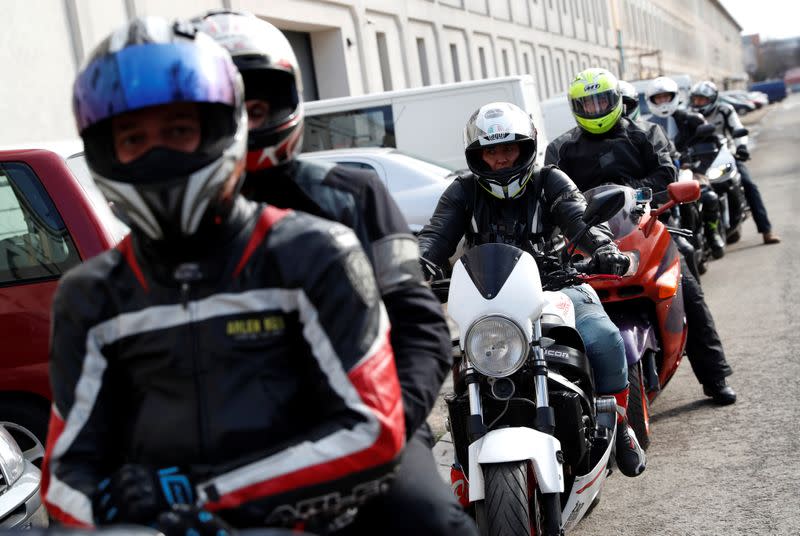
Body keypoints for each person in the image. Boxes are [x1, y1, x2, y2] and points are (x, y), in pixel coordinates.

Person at [42, 16, 407, 534]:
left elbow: (373, 430)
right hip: (154, 528)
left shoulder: (315, 254)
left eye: (178, 131)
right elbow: (62, 473)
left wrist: (202, 496)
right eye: (133, 138)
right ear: (106, 152)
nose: (158, 153)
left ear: (220, 130)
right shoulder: (90, 294)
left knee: (432, 520)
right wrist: (125, 517)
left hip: (303, 520)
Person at [191, 10, 475, 535]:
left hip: (366, 426)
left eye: (254, 106)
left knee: (431, 521)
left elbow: (420, 325)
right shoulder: (168, 230)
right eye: (224, 109)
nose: (243, 124)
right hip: (223, 457)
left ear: (283, 102)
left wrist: (387, 428)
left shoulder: (353, 198)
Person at [418, 101, 647, 478]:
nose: (501, 160)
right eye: (491, 151)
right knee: (458, 367)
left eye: (509, 148)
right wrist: (419, 264)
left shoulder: (550, 180)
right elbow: (436, 234)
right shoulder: (462, 191)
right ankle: (462, 462)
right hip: (489, 299)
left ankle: (620, 424)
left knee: (604, 338)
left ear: (527, 147)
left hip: (557, 286)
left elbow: (579, 219)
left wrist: (603, 249)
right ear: (477, 155)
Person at [545, 68, 737, 405]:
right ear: (575, 107)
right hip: (585, 240)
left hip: (643, 228)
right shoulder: (561, 148)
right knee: (556, 310)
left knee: (687, 292)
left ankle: (715, 376)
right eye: (586, 105)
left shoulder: (647, 133)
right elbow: (550, 194)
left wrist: (629, 194)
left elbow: (666, 174)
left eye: (601, 101)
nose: (595, 110)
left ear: (616, 99)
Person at [690, 80, 781, 244]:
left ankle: (766, 231)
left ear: (712, 99)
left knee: (749, 185)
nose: (698, 103)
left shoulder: (725, 110)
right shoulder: (690, 115)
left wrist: (742, 149)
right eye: (696, 99)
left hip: (726, 156)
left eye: (702, 99)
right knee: (687, 194)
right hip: (699, 161)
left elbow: (737, 128)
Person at [646, 76, 727, 258]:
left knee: (709, 197)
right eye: (658, 98)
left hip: (690, 169)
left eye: (666, 97)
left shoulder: (691, 118)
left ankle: (712, 234)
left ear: (674, 96)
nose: (663, 102)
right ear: (651, 101)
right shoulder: (646, 127)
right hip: (664, 174)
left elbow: (712, 141)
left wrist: (697, 162)